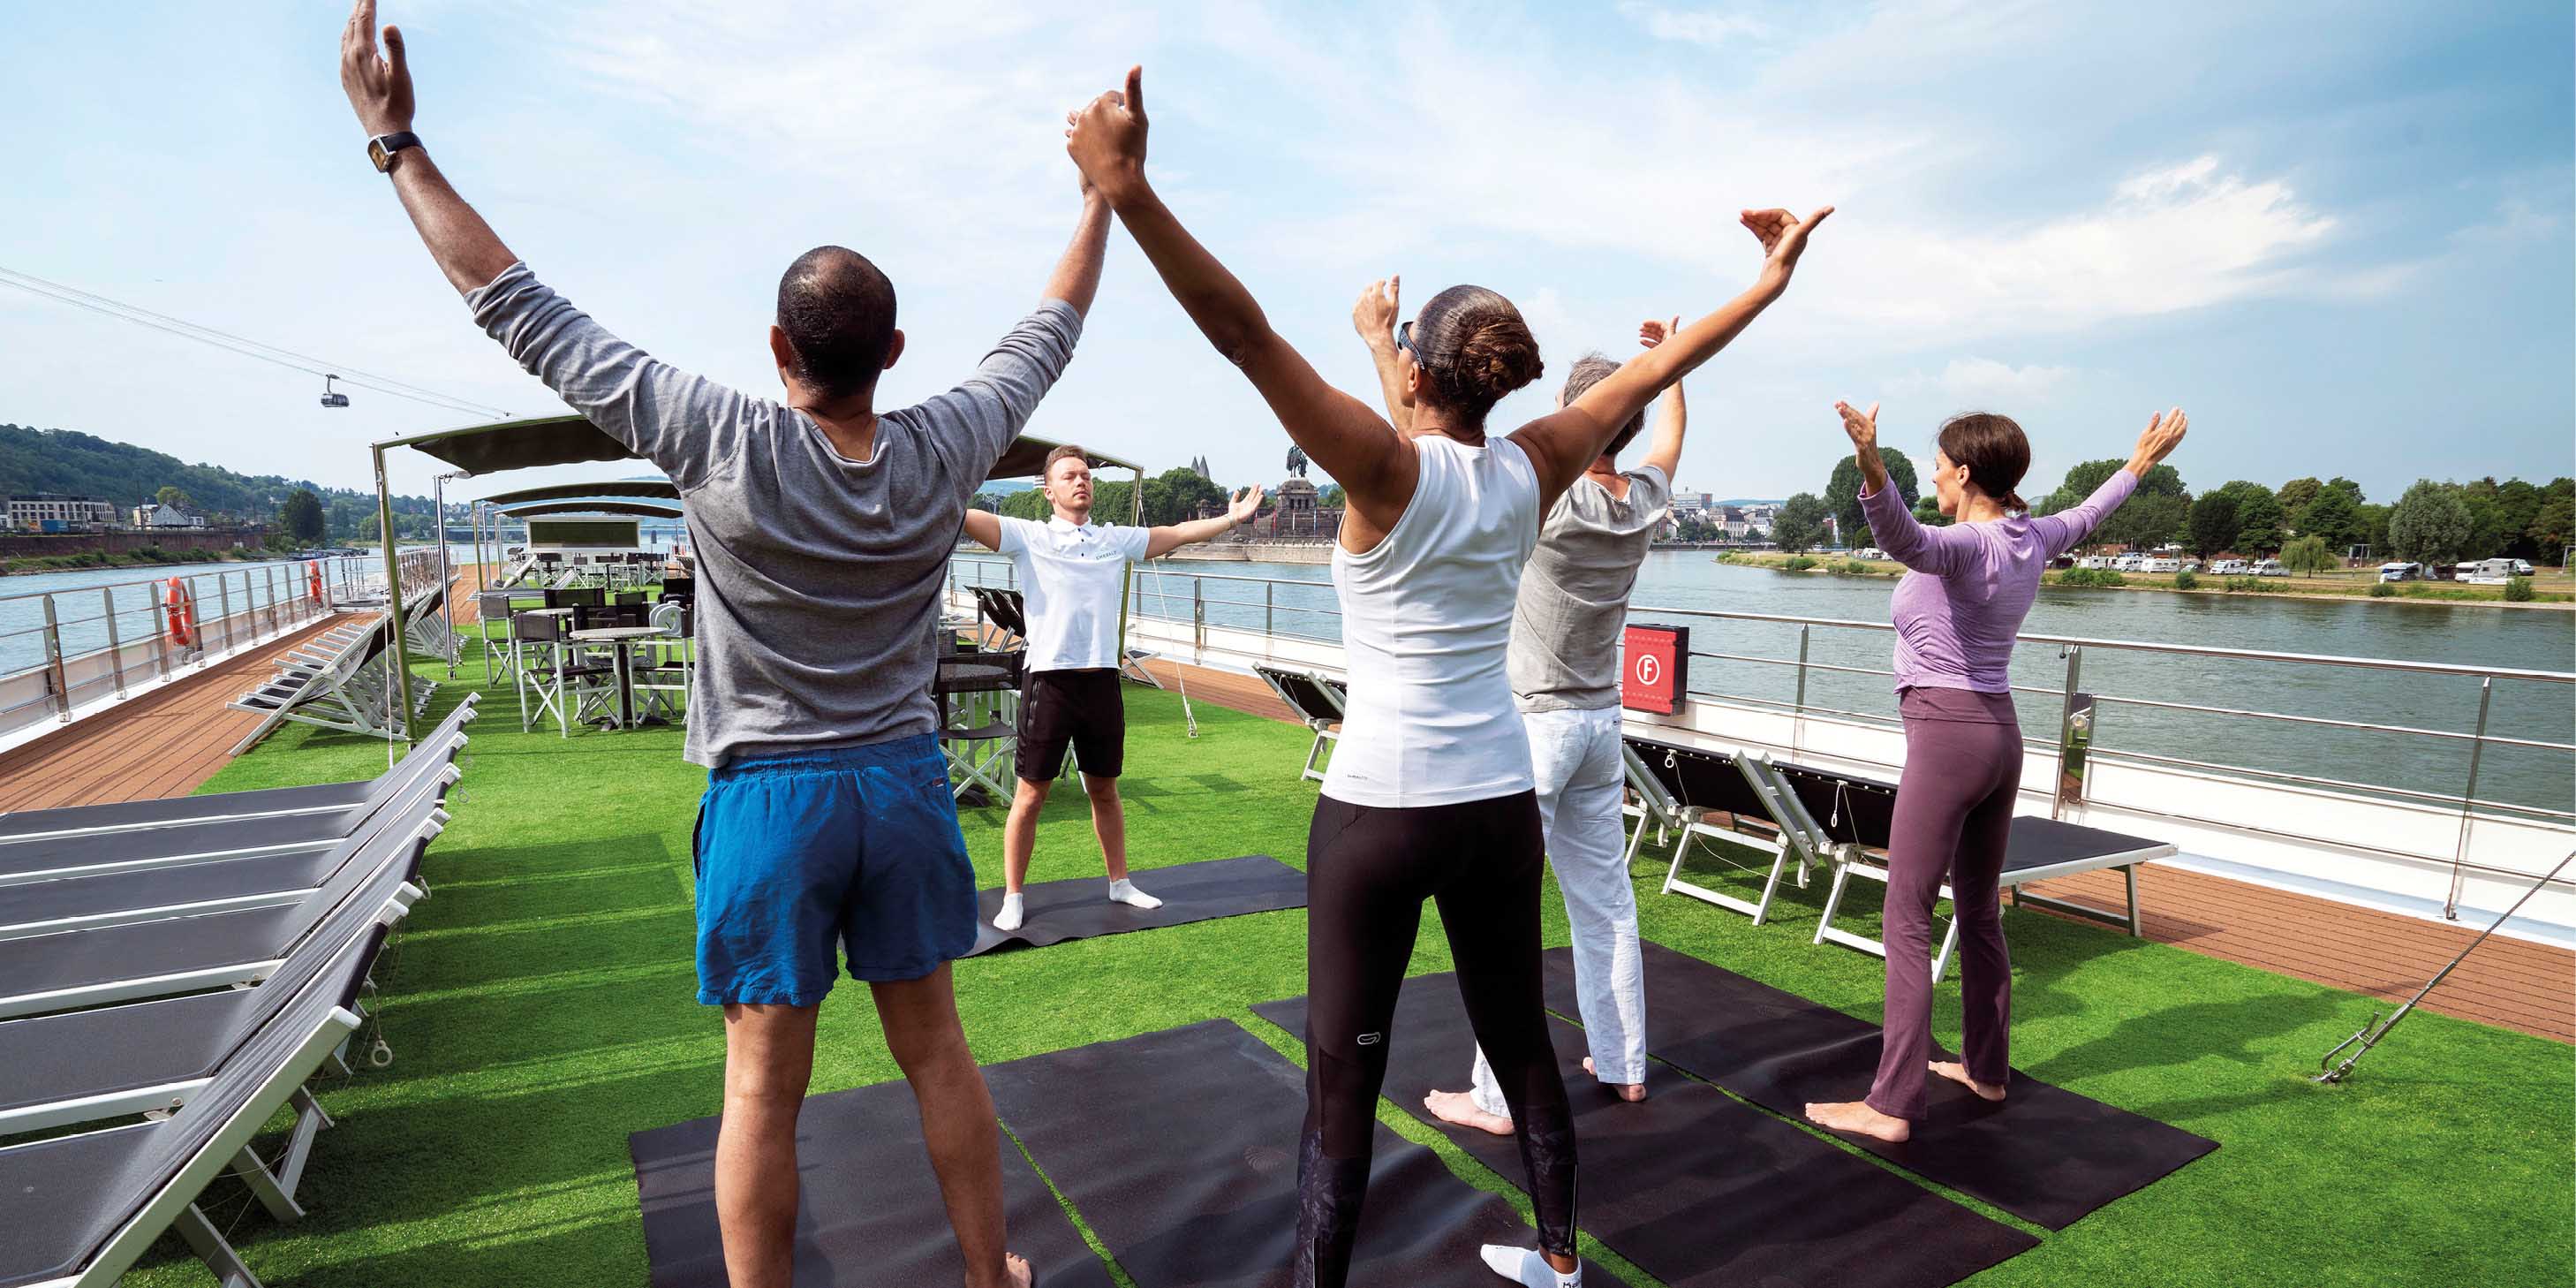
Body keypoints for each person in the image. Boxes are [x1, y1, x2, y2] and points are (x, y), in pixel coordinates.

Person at [338, 6, 1110, 1284]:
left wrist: (395, 143)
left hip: (772, 800)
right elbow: (1051, 329)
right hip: (905, 786)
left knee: (761, 1088)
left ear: (775, 347)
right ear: (895, 352)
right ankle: (990, 1276)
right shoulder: (945, 441)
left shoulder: (717, 433)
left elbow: (515, 306)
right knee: (940, 1052)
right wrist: (1101, 194)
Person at [1063, 65, 1828, 1288]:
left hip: (1376, 810)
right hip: (1489, 807)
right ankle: (1563, 1261)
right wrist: (1769, 281)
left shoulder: (1384, 471)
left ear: (1419, 372)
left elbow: (1245, 336)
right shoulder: (1533, 465)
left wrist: (1129, 191)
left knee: (1342, 1073)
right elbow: (1643, 380)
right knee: (1522, 1040)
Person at [1802, 402, 2187, 1145]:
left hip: (1947, 737)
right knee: (1976, 908)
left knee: (1907, 915)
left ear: (1965, 472)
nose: (1935, 476)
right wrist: (2140, 461)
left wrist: (1871, 462)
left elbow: (1899, 537)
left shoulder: (1963, 545)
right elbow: (2090, 510)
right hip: (2001, 737)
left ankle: (1889, 1105)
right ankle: (1984, 1069)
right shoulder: (2031, 537)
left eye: (1939, 466)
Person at [1357, 300, 1693, 1130]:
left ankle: (1493, 1095)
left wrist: (1382, 350)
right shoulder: (1641, 503)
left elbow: (1421, 449)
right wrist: (1672, 363)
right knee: (1605, 903)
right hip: (1600, 725)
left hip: (1532, 728)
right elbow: (1666, 444)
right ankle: (1623, 1066)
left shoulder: (1544, 497)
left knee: (1500, 921)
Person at [959, 448, 1262, 930]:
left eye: (1085, 475)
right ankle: (1014, 895)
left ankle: (1119, 882)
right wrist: (931, 483)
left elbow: (1177, 535)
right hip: (1050, 682)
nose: (1080, 482)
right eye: (1068, 476)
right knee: (1031, 794)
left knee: (1105, 789)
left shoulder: (1113, 541)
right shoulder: (1027, 535)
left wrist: (1230, 520)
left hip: (1101, 681)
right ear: (1048, 490)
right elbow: (961, 513)